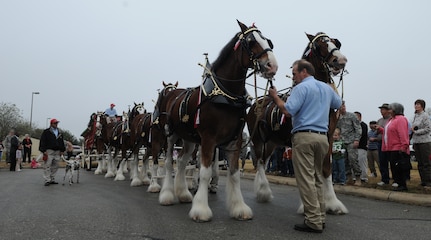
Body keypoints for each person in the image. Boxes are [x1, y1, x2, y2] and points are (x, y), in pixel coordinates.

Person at [269, 59, 342, 233]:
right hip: (322, 138)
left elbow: (287, 111)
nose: (293, 77)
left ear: (304, 72)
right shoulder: (326, 88)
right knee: (317, 178)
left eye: (294, 73)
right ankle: (320, 217)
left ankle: (313, 220)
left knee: (306, 180)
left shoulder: (300, 88)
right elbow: (338, 105)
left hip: (304, 136)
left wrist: (275, 97)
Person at [380, 103, 411, 191]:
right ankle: (399, 183)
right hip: (391, 147)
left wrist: (404, 145)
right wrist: (380, 129)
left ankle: (402, 185)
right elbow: (389, 132)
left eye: (390, 109)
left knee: (399, 167)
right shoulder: (391, 120)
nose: (389, 111)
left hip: (398, 147)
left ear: (396, 110)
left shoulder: (400, 119)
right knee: (394, 167)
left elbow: (403, 133)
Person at [336, 101, 362, 186]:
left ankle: (358, 178)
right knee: (344, 161)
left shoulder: (352, 116)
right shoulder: (337, 117)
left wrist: (357, 139)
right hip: (342, 142)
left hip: (351, 141)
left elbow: (358, 128)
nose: (343, 107)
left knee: (353, 159)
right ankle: (349, 177)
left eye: (344, 106)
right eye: (341, 106)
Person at [410, 99, 431, 188]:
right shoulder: (415, 116)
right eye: (415, 104)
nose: (416, 106)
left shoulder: (425, 115)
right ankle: (423, 181)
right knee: (420, 163)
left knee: (426, 163)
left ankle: (429, 182)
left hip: (425, 142)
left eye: (418, 104)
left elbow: (428, 128)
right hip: (416, 142)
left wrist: (416, 131)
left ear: (422, 106)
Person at [39, 118, 66, 186]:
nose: (56, 124)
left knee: (55, 165)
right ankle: (47, 180)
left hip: (57, 151)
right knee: (47, 165)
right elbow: (42, 141)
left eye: (57, 123)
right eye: (55, 123)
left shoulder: (59, 132)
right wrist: (43, 150)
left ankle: (52, 178)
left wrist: (62, 150)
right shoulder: (46, 132)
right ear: (51, 124)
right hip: (49, 151)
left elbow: (61, 142)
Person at [376, 103, 392, 186]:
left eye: (383, 109)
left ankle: (395, 179)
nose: (381, 111)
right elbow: (376, 132)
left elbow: (390, 132)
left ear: (388, 110)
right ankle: (384, 179)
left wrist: (381, 129)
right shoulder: (379, 120)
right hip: (380, 142)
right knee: (382, 161)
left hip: (389, 143)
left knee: (392, 161)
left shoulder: (392, 120)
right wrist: (377, 129)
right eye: (381, 110)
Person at [354, 111, 369, 183]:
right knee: (355, 162)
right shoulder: (353, 125)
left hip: (361, 147)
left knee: (362, 162)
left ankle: (363, 177)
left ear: (360, 117)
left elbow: (362, 135)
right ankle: (355, 176)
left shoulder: (363, 125)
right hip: (353, 147)